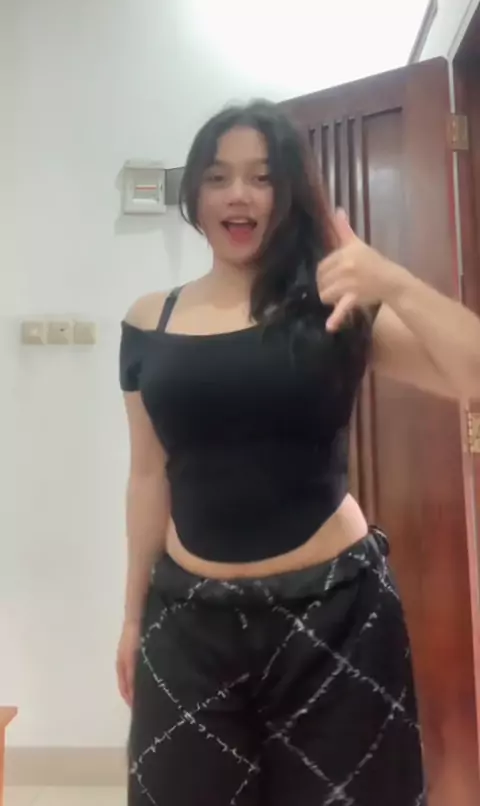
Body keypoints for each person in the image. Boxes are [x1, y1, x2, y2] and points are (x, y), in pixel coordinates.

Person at [117, 100, 480, 806]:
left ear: (287, 193)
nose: (239, 195)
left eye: (262, 177)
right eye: (219, 177)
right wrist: (132, 617)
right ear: (194, 192)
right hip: (187, 622)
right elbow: (147, 475)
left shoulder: (333, 305)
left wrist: (392, 282)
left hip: (336, 618)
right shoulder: (148, 321)